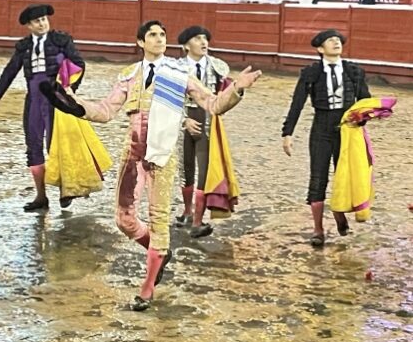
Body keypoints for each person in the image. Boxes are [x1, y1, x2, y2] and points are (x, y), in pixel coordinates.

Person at [39, 20, 261, 311]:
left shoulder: (180, 73)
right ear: (140, 42)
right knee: (124, 220)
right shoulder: (129, 75)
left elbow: (213, 105)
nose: (159, 39)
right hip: (133, 154)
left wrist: (237, 89)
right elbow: (105, 111)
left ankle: (147, 289)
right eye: (152, 35)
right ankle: (159, 254)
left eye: (163, 34)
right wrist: (73, 104)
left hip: (162, 154)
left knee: (159, 220)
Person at [0, 4, 87, 211]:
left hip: (56, 98)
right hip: (34, 99)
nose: (42, 24)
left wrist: (70, 89)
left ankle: (66, 190)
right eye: (37, 21)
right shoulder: (24, 46)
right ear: (29, 25)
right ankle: (41, 196)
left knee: (56, 145)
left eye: (44, 19)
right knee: (33, 146)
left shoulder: (61, 40)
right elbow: (11, 70)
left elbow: (79, 64)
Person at [281, 29, 371, 247]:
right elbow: (297, 103)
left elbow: (365, 101)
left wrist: (362, 118)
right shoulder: (311, 73)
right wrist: (287, 132)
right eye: (331, 40)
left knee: (345, 175)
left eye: (338, 40)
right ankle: (318, 229)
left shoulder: (354, 71)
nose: (336, 42)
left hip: (347, 129)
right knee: (318, 177)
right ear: (320, 49)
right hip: (321, 128)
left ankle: (339, 214)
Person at [175, 26, 240, 238]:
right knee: (185, 170)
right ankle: (187, 211)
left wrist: (238, 89)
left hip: (208, 121)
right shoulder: (175, 68)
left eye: (205, 38)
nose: (204, 42)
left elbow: (225, 99)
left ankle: (197, 221)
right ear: (186, 45)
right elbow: (167, 98)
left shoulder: (218, 67)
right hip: (183, 121)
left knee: (204, 171)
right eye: (197, 38)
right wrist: (183, 120)